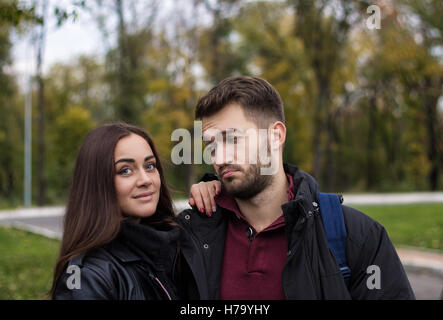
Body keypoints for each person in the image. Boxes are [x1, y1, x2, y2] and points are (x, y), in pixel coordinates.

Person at [179, 76, 416, 300]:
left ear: (276, 136)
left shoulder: (357, 236)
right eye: (210, 144)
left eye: (232, 138)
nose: (219, 157)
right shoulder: (190, 235)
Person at [50, 123, 214, 300]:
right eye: (125, 170)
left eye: (150, 166)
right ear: (97, 184)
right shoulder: (87, 277)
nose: (145, 180)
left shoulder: (171, 246)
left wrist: (217, 190)